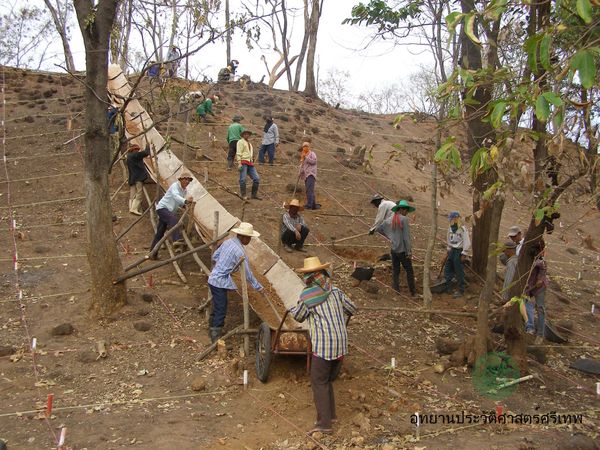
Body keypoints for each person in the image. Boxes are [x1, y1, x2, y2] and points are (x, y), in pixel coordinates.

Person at [290, 256, 357, 435]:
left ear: (309, 277)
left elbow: (298, 316)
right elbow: (352, 308)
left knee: (318, 381)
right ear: (322, 274)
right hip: (341, 344)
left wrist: (292, 309)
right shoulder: (335, 290)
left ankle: (323, 425)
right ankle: (331, 415)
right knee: (326, 380)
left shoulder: (307, 296)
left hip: (324, 346)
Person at [207, 222, 263, 342]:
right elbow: (248, 274)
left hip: (213, 278)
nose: (249, 240)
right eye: (248, 238)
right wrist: (258, 287)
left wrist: (223, 265)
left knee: (217, 304)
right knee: (221, 307)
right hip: (219, 281)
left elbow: (215, 257)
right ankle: (215, 334)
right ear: (242, 237)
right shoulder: (240, 252)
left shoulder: (227, 242)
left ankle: (212, 327)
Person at [376, 200, 416, 297]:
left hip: (394, 249)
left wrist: (390, 236)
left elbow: (379, 229)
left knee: (396, 270)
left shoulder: (391, 219)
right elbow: (406, 237)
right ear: (401, 209)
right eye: (406, 210)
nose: (407, 213)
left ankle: (396, 290)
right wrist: (409, 251)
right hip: (402, 250)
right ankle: (413, 292)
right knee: (409, 270)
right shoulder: (404, 219)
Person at [149, 172, 194, 258]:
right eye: (185, 179)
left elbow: (179, 202)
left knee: (160, 233)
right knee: (173, 219)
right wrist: (185, 201)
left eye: (189, 180)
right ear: (180, 180)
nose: (187, 182)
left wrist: (184, 205)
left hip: (169, 211)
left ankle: (152, 253)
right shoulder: (175, 186)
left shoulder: (184, 191)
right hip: (163, 208)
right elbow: (175, 196)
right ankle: (176, 241)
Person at [443, 211, 471, 298]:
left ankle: (461, 289)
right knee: (448, 266)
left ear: (456, 219)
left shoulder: (462, 229)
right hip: (452, 249)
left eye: (452, 219)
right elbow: (448, 238)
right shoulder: (450, 228)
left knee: (458, 269)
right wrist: (448, 249)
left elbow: (467, 241)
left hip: (459, 250)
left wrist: (464, 253)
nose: (451, 221)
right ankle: (448, 286)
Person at [525, 241, 547, 344]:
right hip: (528, 286)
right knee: (524, 304)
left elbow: (542, 270)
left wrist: (540, 279)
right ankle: (529, 327)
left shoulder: (541, 261)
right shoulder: (526, 257)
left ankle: (540, 334)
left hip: (539, 288)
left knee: (540, 308)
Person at [236, 129, 261, 200]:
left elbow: (250, 154)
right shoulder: (240, 142)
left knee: (256, 178)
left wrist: (252, 161)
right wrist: (239, 163)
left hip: (250, 163)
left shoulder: (249, 144)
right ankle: (243, 195)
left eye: (248, 134)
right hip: (243, 162)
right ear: (243, 135)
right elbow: (238, 153)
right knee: (243, 179)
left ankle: (254, 195)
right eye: (245, 134)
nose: (247, 135)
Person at [126, 143, 150, 215]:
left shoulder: (129, 156)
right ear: (134, 150)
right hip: (138, 177)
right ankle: (134, 208)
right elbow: (146, 153)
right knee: (139, 193)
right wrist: (147, 146)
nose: (138, 151)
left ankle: (131, 208)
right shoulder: (135, 155)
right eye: (137, 150)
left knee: (132, 193)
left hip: (132, 177)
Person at [299, 141, 320, 210]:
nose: (305, 147)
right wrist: (300, 173)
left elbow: (314, 162)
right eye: (304, 146)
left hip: (311, 174)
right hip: (306, 175)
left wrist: (306, 158)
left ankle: (309, 205)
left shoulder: (312, 154)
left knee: (309, 190)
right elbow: (302, 166)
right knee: (309, 190)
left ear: (309, 147)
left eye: (306, 146)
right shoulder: (303, 155)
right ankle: (313, 205)